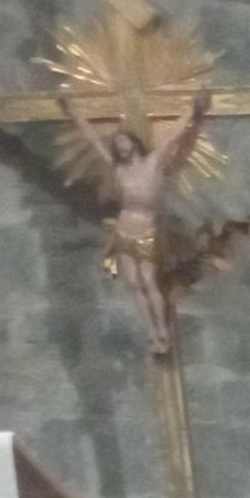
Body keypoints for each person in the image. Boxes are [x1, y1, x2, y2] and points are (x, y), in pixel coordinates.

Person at [59, 87, 209, 355]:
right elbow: (93, 140)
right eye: (117, 145)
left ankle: (162, 329)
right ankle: (151, 332)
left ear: (134, 143)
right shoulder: (119, 169)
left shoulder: (152, 163)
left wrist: (193, 110)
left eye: (124, 142)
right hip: (125, 230)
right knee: (133, 284)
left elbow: (174, 136)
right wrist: (73, 112)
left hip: (147, 229)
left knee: (149, 282)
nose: (120, 146)